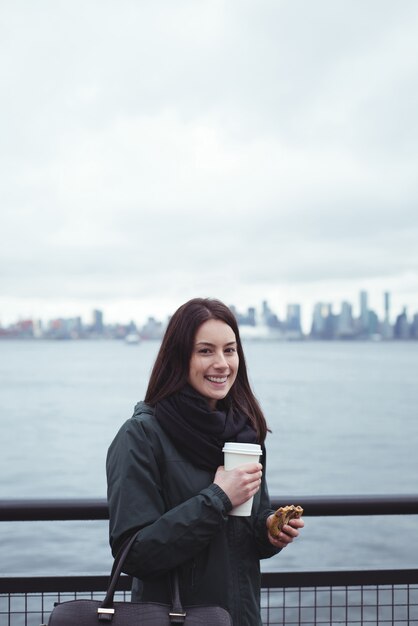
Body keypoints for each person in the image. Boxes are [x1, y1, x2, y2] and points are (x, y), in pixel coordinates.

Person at [106, 297, 304, 626]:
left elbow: (246, 537)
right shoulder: (140, 436)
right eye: (205, 351)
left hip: (240, 617)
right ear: (178, 358)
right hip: (174, 619)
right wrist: (217, 497)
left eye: (230, 350)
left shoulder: (244, 431)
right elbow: (135, 553)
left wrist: (269, 531)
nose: (222, 363)